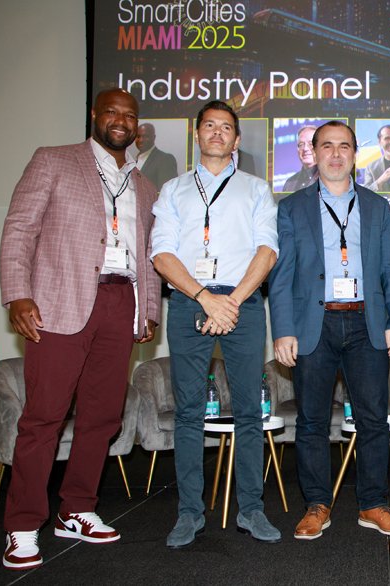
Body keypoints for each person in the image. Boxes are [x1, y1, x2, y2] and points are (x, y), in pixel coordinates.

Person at [0, 88, 160, 570]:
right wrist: (17, 293)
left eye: (129, 115)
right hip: (58, 303)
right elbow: (19, 228)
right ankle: (23, 525)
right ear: (95, 115)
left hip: (121, 303)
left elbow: (149, 254)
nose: (120, 120)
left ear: (137, 125)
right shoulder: (53, 160)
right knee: (43, 417)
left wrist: (148, 309)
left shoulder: (145, 185)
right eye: (111, 112)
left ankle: (77, 509)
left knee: (102, 416)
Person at [268, 121, 390, 540]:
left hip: (367, 322)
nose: (335, 154)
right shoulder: (291, 207)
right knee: (312, 420)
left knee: (373, 419)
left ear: (354, 154)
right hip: (314, 324)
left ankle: (373, 504)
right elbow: (282, 275)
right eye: (327, 146)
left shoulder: (376, 206)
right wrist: (283, 329)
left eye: (344, 146)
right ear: (314, 154)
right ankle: (317, 505)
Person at [150, 101, 281, 548]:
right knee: (188, 412)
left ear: (237, 140)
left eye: (226, 127)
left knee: (249, 411)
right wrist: (206, 299)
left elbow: (267, 250)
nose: (218, 132)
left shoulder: (256, 189)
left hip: (244, 302)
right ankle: (190, 513)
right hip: (190, 301)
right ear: (198, 135)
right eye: (210, 125)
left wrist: (232, 302)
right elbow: (161, 254)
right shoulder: (173, 189)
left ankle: (251, 509)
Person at [135, 123, 178, 191]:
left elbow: (167, 192)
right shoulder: (133, 161)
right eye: (138, 136)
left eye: (145, 136)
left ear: (154, 137)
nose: (141, 140)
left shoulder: (165, 159)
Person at [282, 125, 319, 192]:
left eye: (311, 144)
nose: (305, 148)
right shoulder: (289, 183)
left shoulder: (330, 178)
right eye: (301, 144)